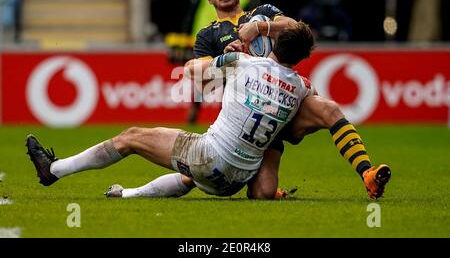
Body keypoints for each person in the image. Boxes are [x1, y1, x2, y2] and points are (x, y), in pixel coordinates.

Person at [113, 0, 391, 201]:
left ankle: (367, 173)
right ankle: (160, 186)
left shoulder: (263, 13)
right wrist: (229, 59)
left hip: (284, 99)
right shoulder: (207, 35)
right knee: (262, 194)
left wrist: (261, 29)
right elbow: (202, 78)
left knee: (329, 109)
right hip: (249, 116)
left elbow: (297, 28)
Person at [26, 22, 316, 199]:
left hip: (210, 157)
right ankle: (127, 194)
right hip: (238, 179)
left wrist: (225, 58)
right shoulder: (304, 87)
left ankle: (54, 170)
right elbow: (299, 131)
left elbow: (191, 70)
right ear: (302, 57)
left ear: (276, 44)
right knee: (191, 174)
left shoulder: (243, 61)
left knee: (132, 137)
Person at [183, 0, 252, 124]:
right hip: (203, 34)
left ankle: (226, 111)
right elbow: (192, 10)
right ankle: (196, 106)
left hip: (230, 36)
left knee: (227, 74)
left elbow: (244, 15)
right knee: (204, 74)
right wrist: (185, 34)